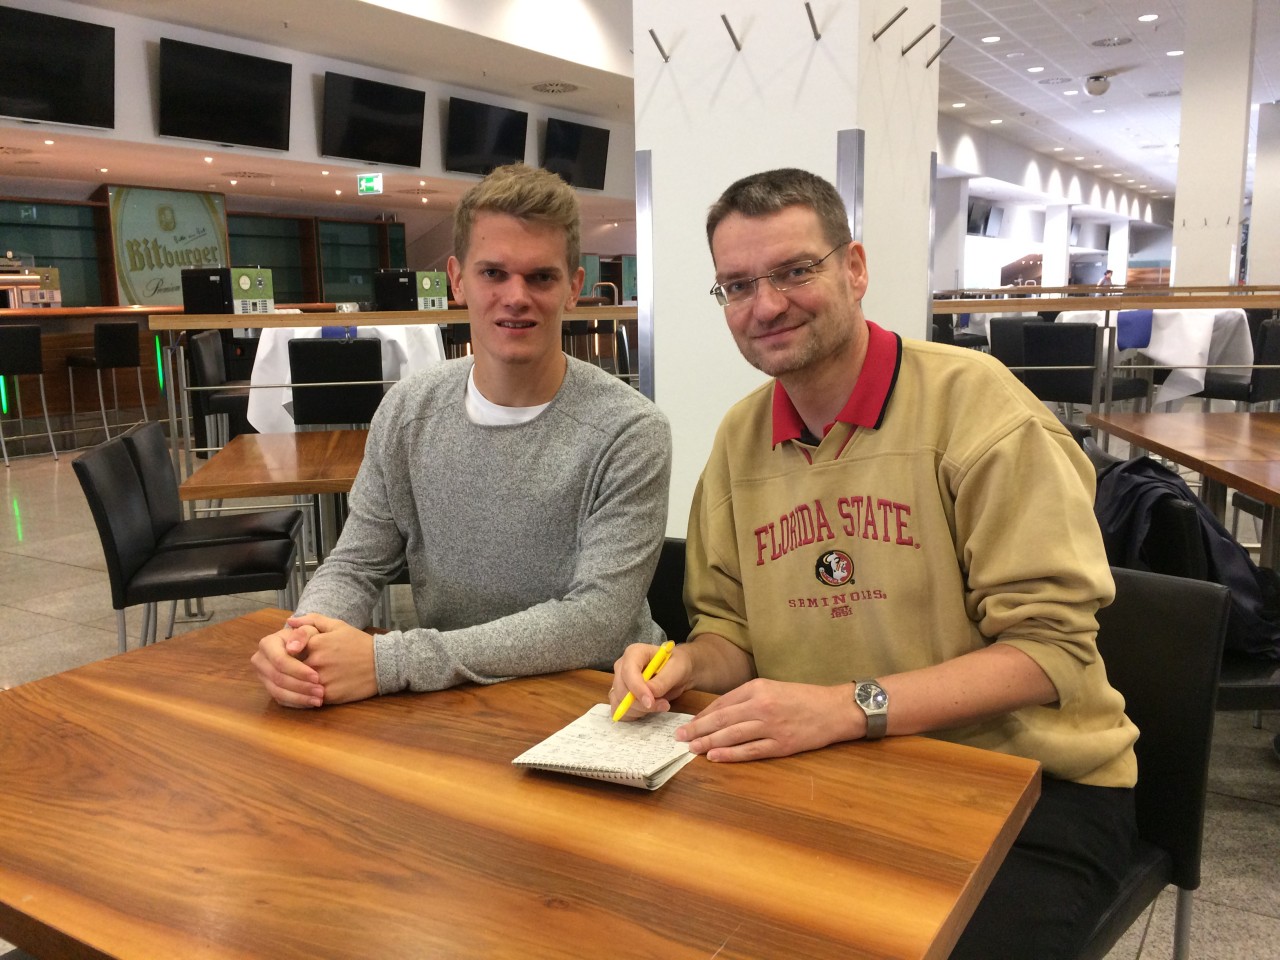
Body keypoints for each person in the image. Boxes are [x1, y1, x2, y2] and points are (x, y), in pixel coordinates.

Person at [611, 168, 1138, 959]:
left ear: (854, 268)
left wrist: (841, 708)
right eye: (737, 285)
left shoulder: (979, 408)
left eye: (795, 271)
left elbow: (1049, 651)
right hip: (832, 770)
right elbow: (734, 635)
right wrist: (681, 665)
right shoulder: (738, 439)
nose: (767, 305)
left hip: (1027, 787)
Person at [253, 163, 671, 707]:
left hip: (598, 704)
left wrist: (390, 662)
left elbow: (595, 621)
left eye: (540, 277)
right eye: (493, 273)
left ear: (573, 287)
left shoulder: (630, 431)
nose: (515, 296)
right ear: (457, 280)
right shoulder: (408, 410)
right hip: (454, 699)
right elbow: (357, 563)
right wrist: (304, 638)